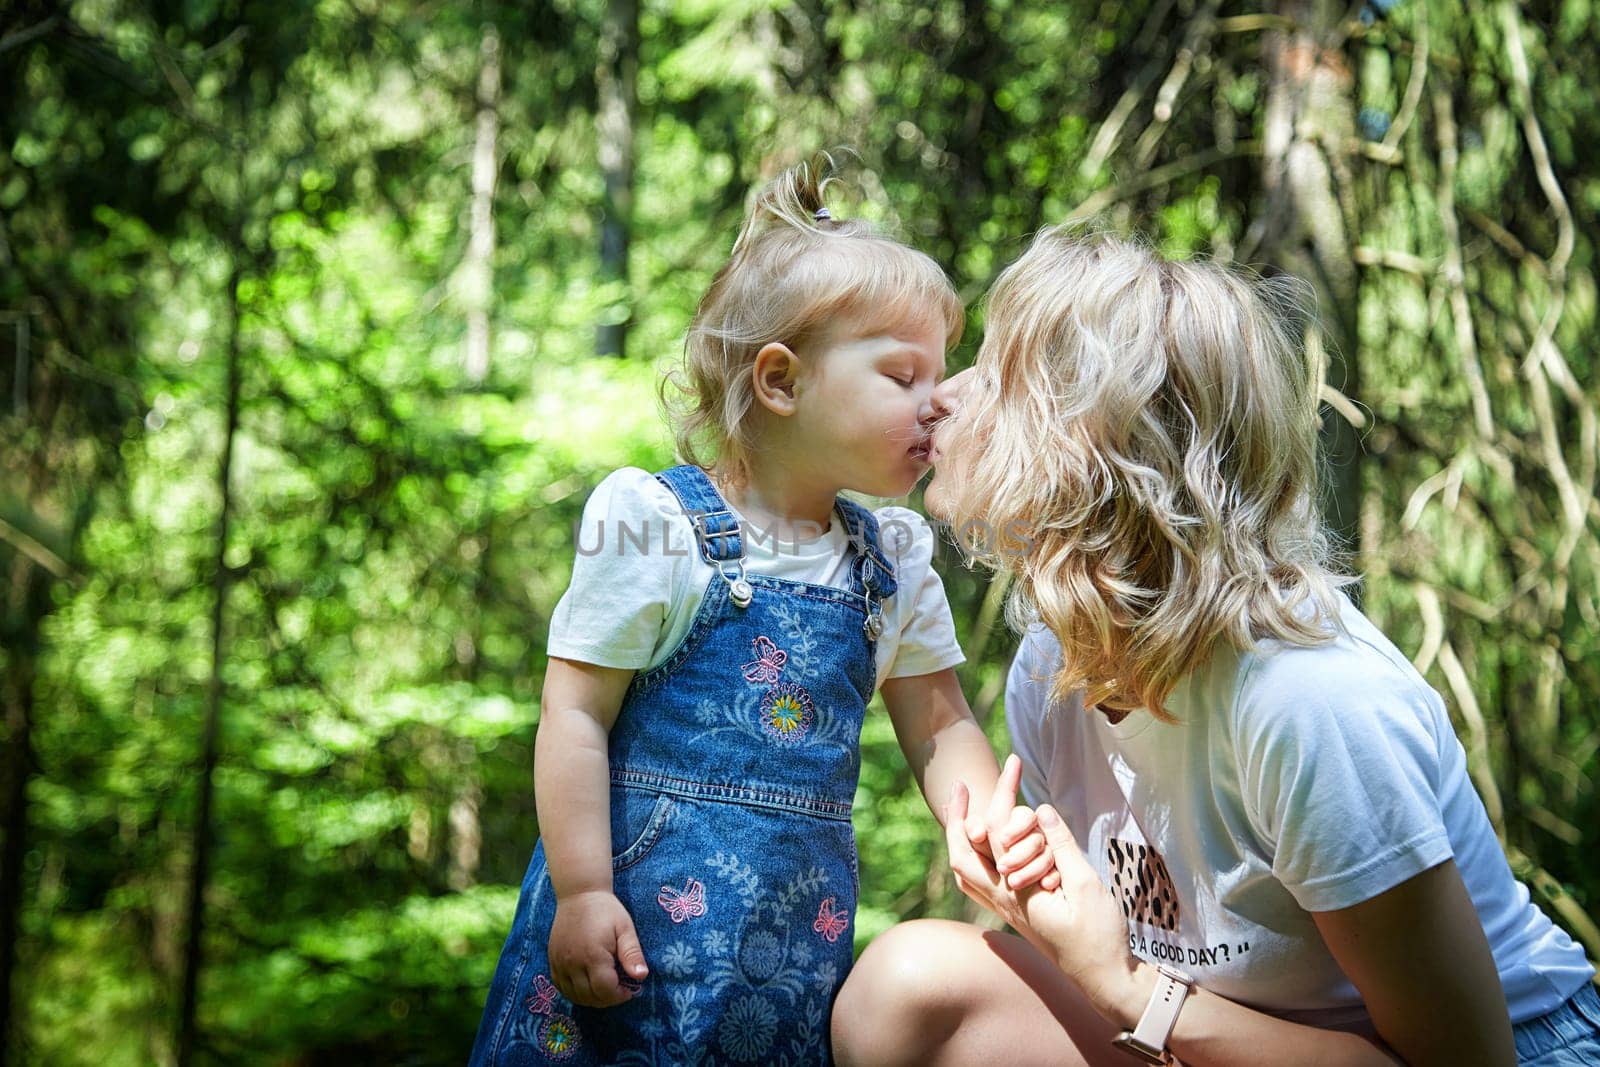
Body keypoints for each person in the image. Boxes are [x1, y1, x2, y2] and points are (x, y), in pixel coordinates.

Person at [831, 229, 1600, 1066]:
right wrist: (1038, 909)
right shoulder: (1053, 664)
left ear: (1096, 443)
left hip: (1516, 1048)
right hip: (1219, 1032)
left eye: (999, 376)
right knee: (909, 989)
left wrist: (1127, 985)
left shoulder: (1307, 702)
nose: (946, 396)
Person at [469, 158, 1050, 1067]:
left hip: (786, 951)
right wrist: (583, 889)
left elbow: (940, 723)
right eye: (902, 373)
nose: (937, 400)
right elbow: (575, 713)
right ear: (780, 381)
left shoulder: (892, 560)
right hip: (626, 941)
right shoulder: (658, 526)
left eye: (940, 374)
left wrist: (982, 824)